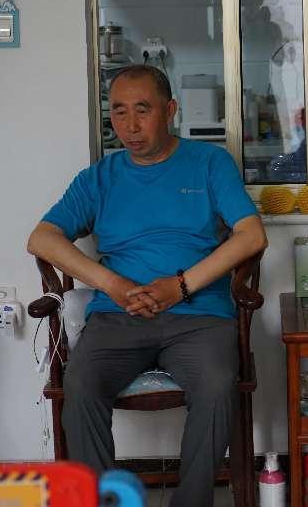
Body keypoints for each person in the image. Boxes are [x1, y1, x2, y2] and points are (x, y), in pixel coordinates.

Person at [26, 65, 267, 507]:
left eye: (143, 110)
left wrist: (181, 286)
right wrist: (112, 284)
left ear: (170, 110)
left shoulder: (209, 163)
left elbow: (251, 235)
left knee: (217, 384)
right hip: (118, 315)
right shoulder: (99, 177)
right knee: (81, 385)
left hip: (199, 315)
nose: (131, 126)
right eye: (119, 112)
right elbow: (41, 238)